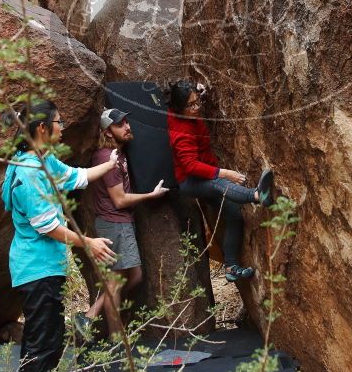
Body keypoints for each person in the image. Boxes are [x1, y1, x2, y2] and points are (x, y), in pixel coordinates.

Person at [0, 100, 118, 372]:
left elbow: (77, 177)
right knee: (43, 337)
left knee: (48, 331)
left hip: (47, 266)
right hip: (36, 267)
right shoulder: (29, 173)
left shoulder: (43, 161)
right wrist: (89, 243)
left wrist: (111, 163)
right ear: (42, 128)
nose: (62, 127)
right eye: (59, 122)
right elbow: (48, 227)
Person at [166, 81, 275, 282]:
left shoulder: (181, 109)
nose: (196, 107)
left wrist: (198, 90)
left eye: (197, 102)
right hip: (191, 181)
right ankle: (258, 195)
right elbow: (190, 166)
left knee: (234, 216)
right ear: (179, 109)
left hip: (202, 174)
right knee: (219, 184)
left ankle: (231, 267)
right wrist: (224, 173)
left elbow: (184, 92)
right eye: (191, 105)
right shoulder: (181, 132)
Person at [76, 108, 169, 339]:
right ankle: (117, 340)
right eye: (121, 124)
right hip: (114, 224)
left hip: (120, 224)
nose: (127, 127)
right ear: (108, 132)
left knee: (133, 276)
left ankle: (90, 315)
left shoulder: (117, 153)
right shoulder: (106, 158)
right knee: (115, 283)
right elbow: (118, 200)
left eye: (127, 122)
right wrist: (151, 195)